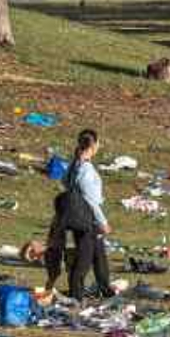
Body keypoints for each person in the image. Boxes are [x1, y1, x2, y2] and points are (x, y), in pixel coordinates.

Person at [64, 129, 113, 301]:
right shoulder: (85, 169)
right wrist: (103, 221)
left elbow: (65, 182)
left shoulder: (76, 165)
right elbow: (90, 199)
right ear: (93, 145)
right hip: (87, 219)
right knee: (84, 259)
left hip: (81, 217)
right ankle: (76, 293)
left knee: (99, 255)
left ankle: (105, 288)